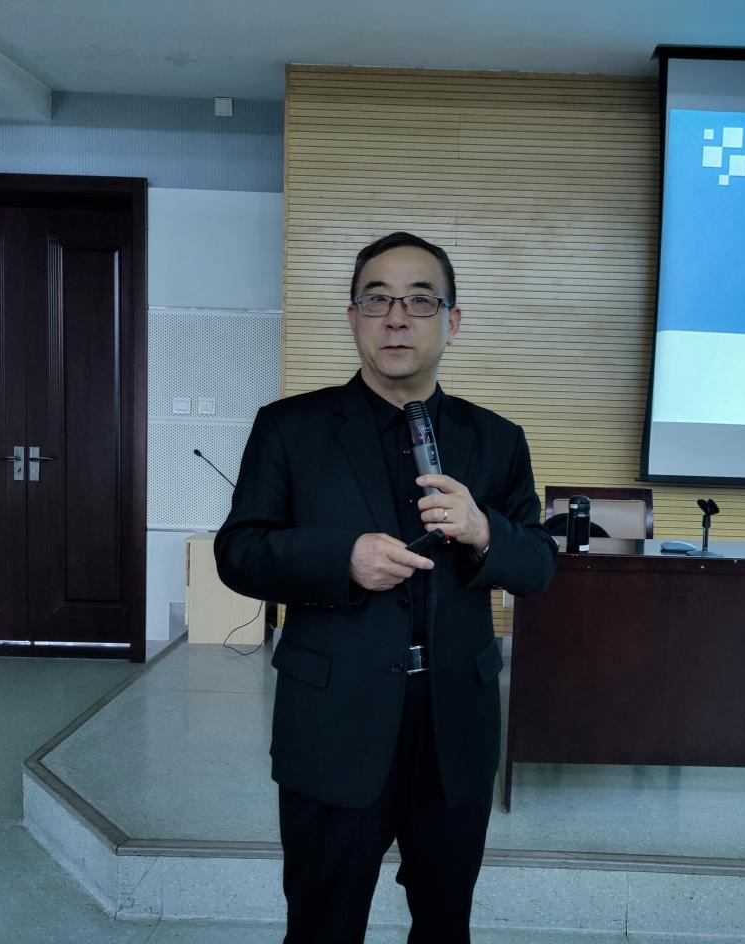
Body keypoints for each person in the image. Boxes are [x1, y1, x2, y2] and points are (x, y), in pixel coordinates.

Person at [215, 231, 557, 943]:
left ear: (451, 322)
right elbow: (239, 553)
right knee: (322, 926)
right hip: (333, 724)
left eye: (420, 300)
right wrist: (340, 558)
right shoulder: (289, 429)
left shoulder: (497, 439)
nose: (396, 318)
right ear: (353, 318)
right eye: (377, 300)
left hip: (454, 730)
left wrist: (484, 530)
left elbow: (537, 567)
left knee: (444, 926)